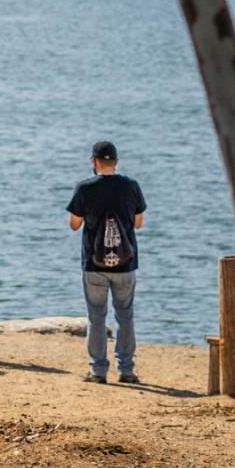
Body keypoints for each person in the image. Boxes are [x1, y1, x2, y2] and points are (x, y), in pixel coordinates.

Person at [67, 140, 146, 384]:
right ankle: (126, 370)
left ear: (94, 162)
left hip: (94, 263)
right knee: (125, 316)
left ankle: (98, 371)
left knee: (96, 317)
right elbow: (138, 223)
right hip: (125, 262)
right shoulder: (131, 186)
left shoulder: (84, 188)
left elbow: (74, 224)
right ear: (117, 162)